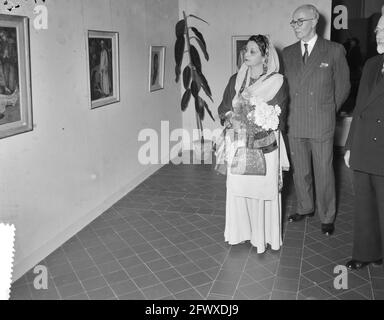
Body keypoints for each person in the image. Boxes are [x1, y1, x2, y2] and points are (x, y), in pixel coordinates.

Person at [282, 4, 350, 236]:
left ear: (314, 21)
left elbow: (343, 87)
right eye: (293, 22)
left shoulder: (333, 50)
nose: (295, 26)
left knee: (324, 171)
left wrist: (328, 110)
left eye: (299, 21)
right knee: (300, 170)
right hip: (295, 121)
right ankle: (305, 207)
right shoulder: (288, 53)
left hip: (321, 122)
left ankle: (327, 215)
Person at [218, 35, 290, 253]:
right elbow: (223, 107)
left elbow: (277, 115)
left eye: (252, 51)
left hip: (264, 145)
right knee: (239, 189)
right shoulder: (235, 80)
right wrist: (230, 117)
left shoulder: (277, 82)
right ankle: (240, 233)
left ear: (265, 56)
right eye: (245, 51)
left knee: (261, 189)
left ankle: (263, 236)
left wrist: (253, 120)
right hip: (238, 143)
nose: (246, 55)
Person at [344, 7, 384, 271]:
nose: (376, 32)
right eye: (378, 28)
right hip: (362, 147)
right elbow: (359, 109)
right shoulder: (372, 63)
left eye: (382, 29)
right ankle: (367, 252)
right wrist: (349, 146)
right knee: (365, 206)